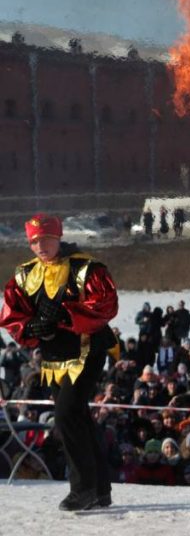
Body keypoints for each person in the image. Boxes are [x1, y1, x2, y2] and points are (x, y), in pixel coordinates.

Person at [0, 214, 119, 510]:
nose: (40, 246)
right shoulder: (25, 275)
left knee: (66, 415)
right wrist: (31, 327)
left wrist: (67, 315)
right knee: (78, 416)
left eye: (46, 240)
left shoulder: (85, 267)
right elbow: (13, 313)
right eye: (34, 242)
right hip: (54, 359)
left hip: (87, 351)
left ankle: (82, 489)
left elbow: (105, 304)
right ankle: (100, 489)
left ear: (58, 237)